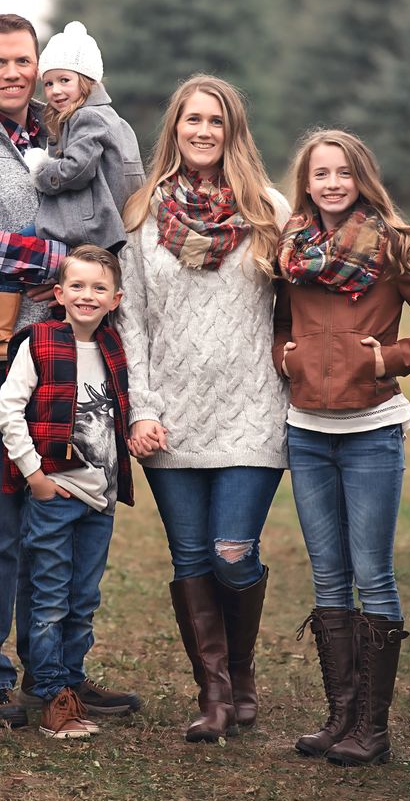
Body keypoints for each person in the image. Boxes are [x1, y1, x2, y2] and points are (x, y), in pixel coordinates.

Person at [0, 14, 138, 728]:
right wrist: (63, 265)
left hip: (72, 353)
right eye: (0, 62)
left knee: (67, 513)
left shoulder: (63, 133)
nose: (14, 73)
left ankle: (57, 675)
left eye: (25, 60)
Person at [273, 128, 410, 767]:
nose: (331, 183)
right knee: (327, 573)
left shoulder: (393, 246)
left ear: (361, 180)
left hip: (371, 430)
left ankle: (372, 730)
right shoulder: (290, 248)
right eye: (320, 173)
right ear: (307, 182)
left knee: (371, 572)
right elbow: (277, 322)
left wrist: (391, 357)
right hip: (307, 429)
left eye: (343, 173)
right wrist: (284, 356)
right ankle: (340, 718)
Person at [117, 75, 290, 743]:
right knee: (190, 557)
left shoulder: (267, 211)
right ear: (176, 128)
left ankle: (241, 676)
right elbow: (130, 320)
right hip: (171, 414)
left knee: (230, 551)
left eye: (216, 121)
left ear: (232, 131)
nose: (203, 131)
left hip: (251, 408)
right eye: (192, 119)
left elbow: (298, 304)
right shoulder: (141, 217)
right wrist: (140, 408)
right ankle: (216, 697)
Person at [0, 246, 134, 738]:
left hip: (101, 498)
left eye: (99, 288)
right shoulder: (40, 342)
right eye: (77, 286)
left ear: (115, 298)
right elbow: (8, 411)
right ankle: (54, 693)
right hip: (55, 492)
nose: (87, 296)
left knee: (83, 596)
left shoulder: (114, 348)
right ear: (58, 294)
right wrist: (34, 475)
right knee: (51, 595)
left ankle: (70, 679)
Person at [0, 20, 145, 347]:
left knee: (14, 255)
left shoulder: (87, 117)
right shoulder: (111, 118)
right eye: (49, 83)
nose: (56, 91)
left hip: (89, 223)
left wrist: (42, 169)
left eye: (64, 81)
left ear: (88, 81)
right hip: (105, 222)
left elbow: (77, 169)